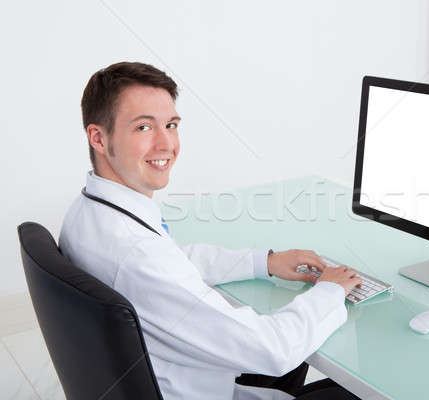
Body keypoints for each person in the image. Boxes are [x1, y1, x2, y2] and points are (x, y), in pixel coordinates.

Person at [59, 61, 363, 400]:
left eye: (171, 125)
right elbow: (273, 350)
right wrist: (331, 291)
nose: (166, 144)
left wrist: (265, 261)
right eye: (144, 128)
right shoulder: (136, 254)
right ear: (98, 137)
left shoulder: (89, 211)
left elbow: (172, 260)